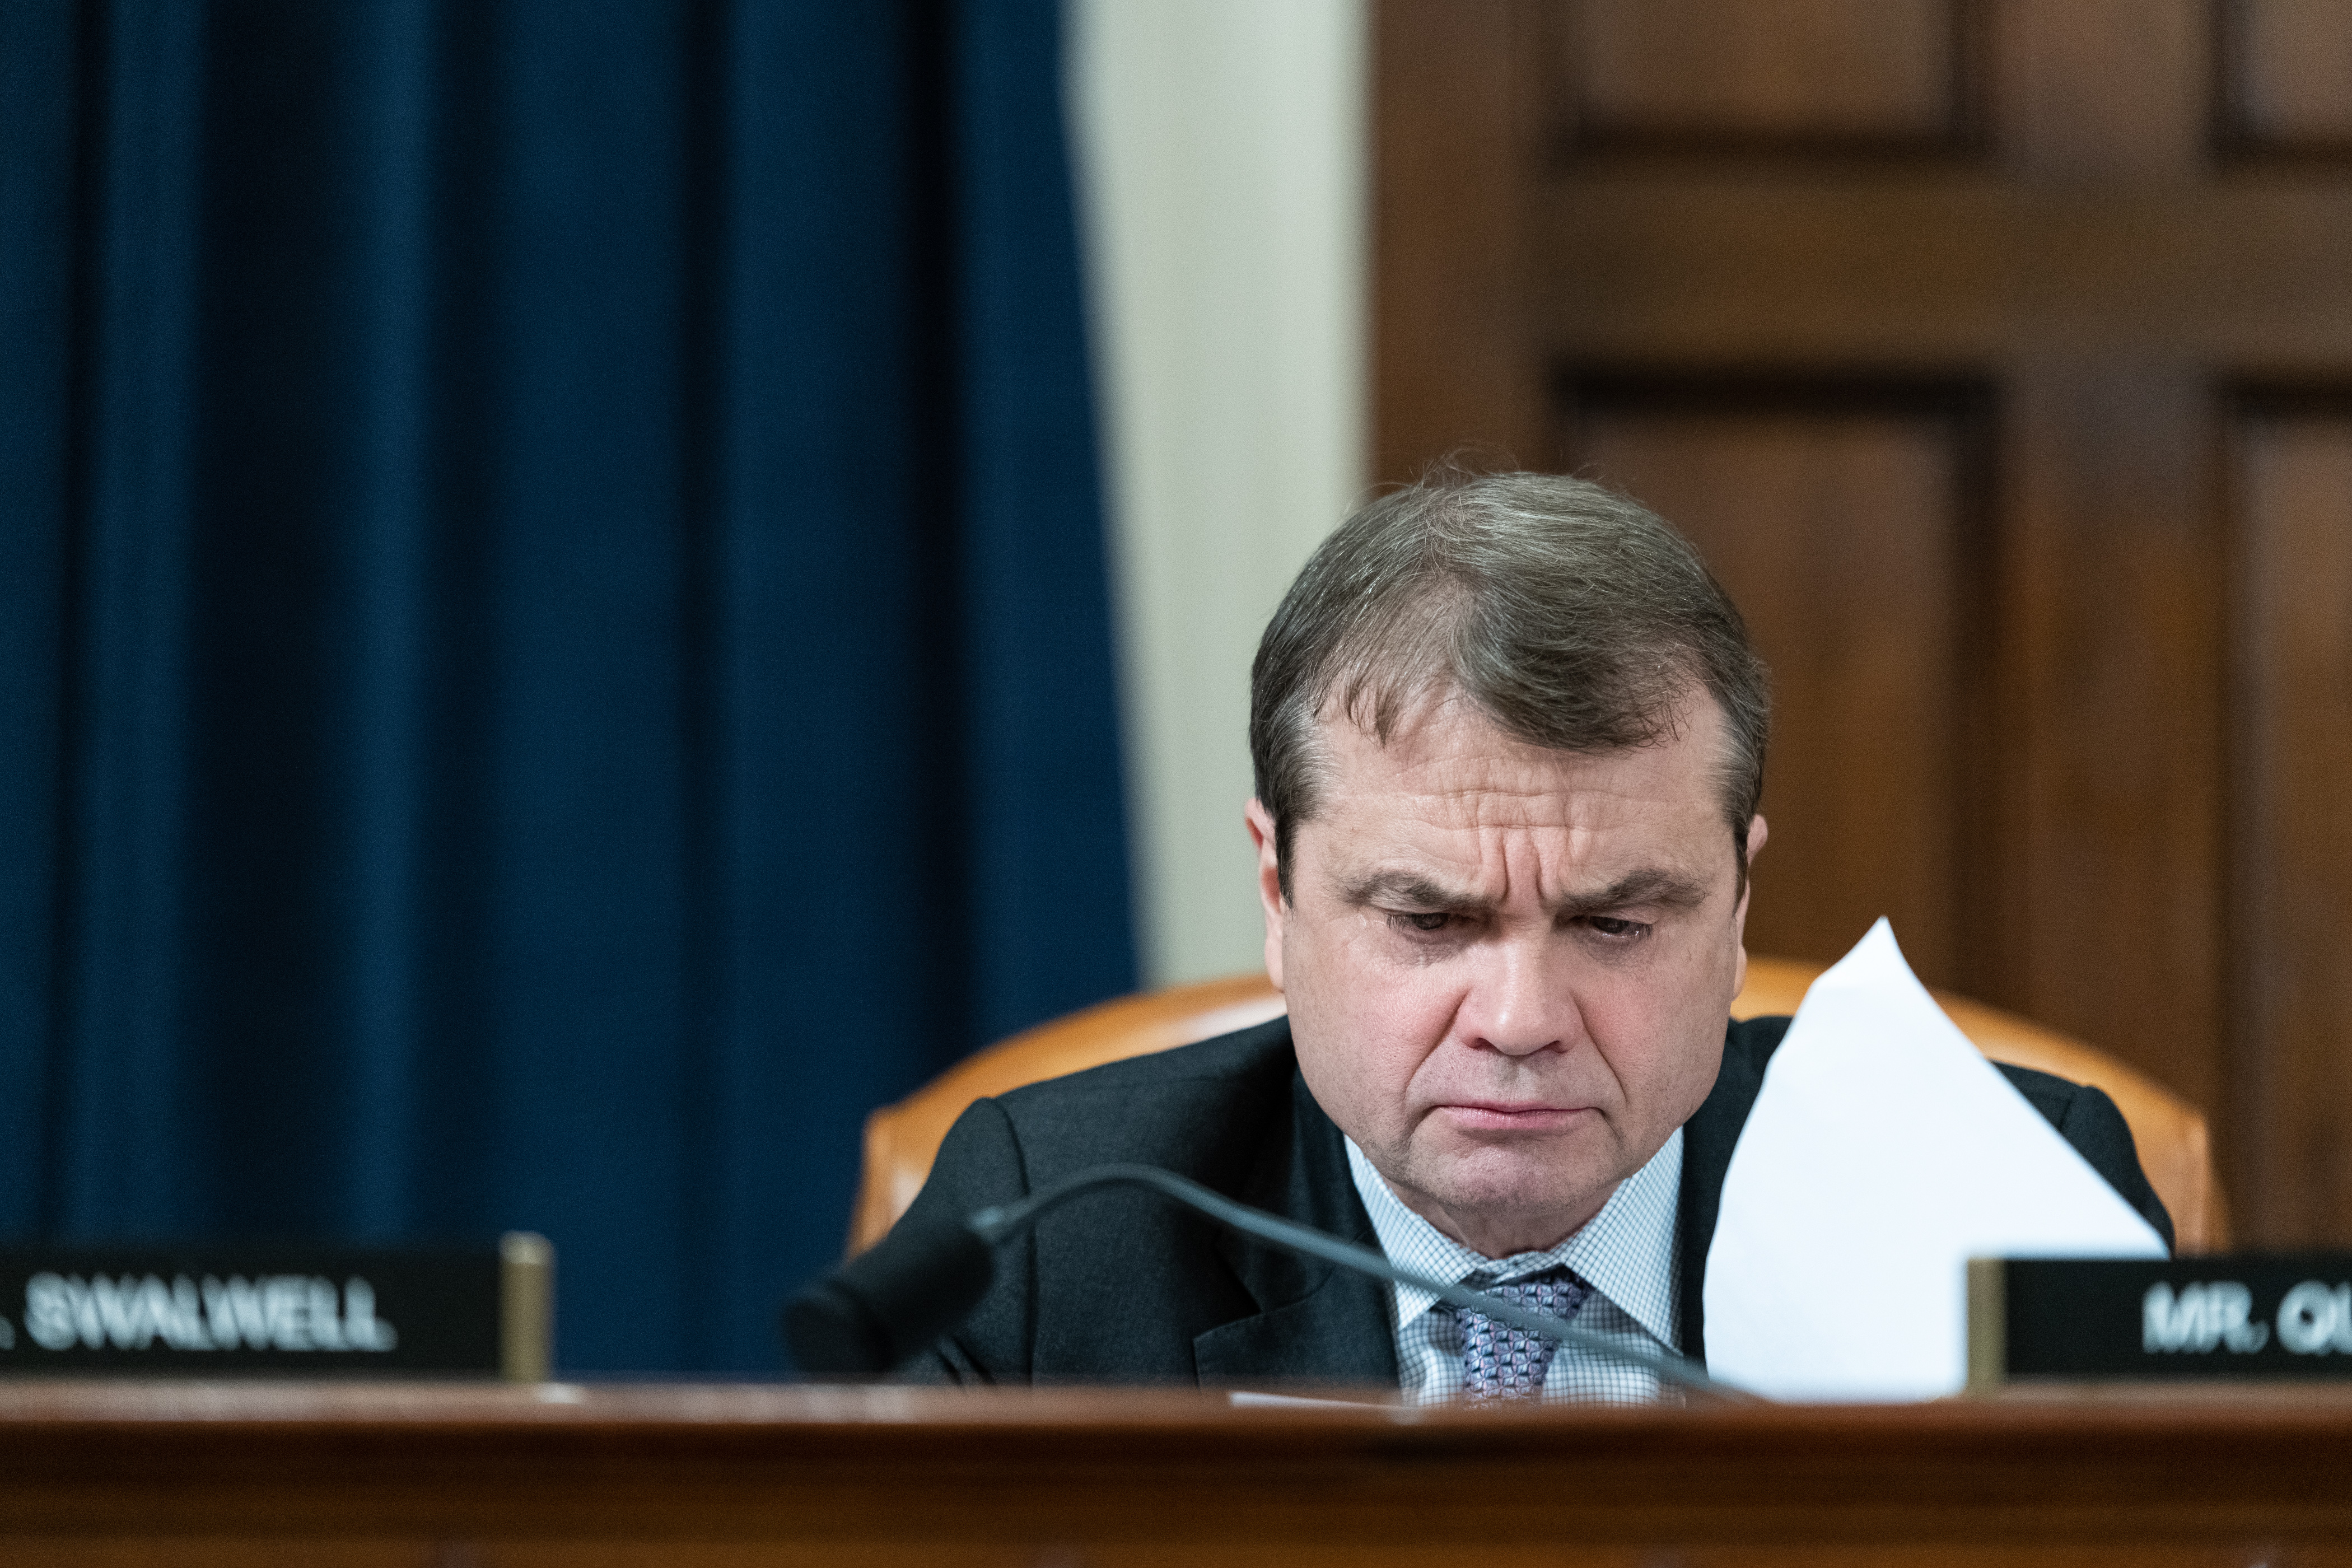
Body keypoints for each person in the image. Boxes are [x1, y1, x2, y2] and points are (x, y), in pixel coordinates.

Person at [899, 468, 2169, 1401]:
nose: (1519, 1018)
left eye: (1614, 921)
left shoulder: (1996, 1191)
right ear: (1278, 894)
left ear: (1737, 909)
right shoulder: (1055, 1230)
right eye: (1429, 918)